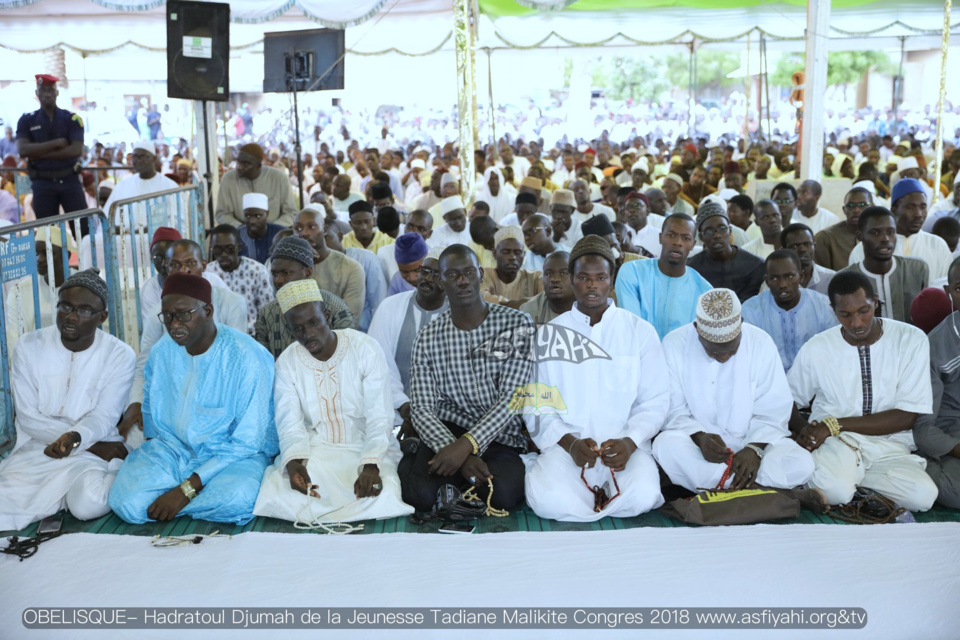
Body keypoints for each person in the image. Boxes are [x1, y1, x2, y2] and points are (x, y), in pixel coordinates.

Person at [109, 274, 278, 524]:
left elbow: (248, 440)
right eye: (167, 316)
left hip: (232, 457)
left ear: (208, 311)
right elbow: (152, 416)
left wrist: (186, 490)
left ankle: (179, 501)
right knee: (125, 502)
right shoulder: (162, 352)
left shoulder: (248, 356)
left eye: (183, 315)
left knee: (236, 498)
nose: (174, 324)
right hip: (174, 451)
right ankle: (192, 503)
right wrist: (161, 462)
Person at [524, 236, 669, 522]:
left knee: (643, 496)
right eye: (583, 278)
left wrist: (631, 441)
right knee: (549, 501)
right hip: (567, 447)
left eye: (600, 278)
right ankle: (580, 489)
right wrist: (569, 444)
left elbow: (655, 401)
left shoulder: (639, 331)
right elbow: (536, 405)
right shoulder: (549, 335)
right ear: (572, 279)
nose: (592, 286)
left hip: (625, 447)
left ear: (611, 280)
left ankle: (595, 497)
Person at [252, 280, 413, 524]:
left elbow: (379, 416)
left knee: (383, 496)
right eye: (298, 329)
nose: (308, 334)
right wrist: (294, 463)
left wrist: (371, 465)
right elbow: (289, 422)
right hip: (317, 449)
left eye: (313, 323)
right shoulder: (287, 362)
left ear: (326, 316)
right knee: (278, 494)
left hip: (365, 446)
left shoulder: (365, 348)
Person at [400, 244, 534, 513]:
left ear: (481, 274)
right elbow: (422, 409)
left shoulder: (517, 324)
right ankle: (423, 458)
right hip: (448, 431)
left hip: (500, 435)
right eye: (452, 275)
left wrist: (467, 447)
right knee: (420, 496)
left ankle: (453, 484)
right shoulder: (428, 337)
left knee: (502, 494)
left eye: (468, 272)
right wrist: (457, 454)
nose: (462, 281)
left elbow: (511, 399)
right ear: (441, 281)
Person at [788, 271, 938, 511]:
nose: (856, 323)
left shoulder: (910, 339)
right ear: (833, 310)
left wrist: (833, 425)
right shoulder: (817, 347)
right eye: (845, 315)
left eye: (863, 311)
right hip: (838, 444)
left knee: (923, 497)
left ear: (875, 302)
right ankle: (847, 484)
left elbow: (907, 416)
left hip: (890, 444)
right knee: (834, 491)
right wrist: (806, 432)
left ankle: (849, 485)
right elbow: (788, 400)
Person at [0, 270, 134, 531]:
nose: (71, 317)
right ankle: (60, 498)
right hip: (39, 447)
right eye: (65, 307)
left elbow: (105, 416)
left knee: (88, 505)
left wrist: (77, 439)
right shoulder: (28, 346)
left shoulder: (119, 355)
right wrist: (90, 446)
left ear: (102, 317)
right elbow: (28, 419)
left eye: (84, 310)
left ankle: (118, 472)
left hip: (92, 445)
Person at [654, 289, 818, 500]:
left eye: (731, 349)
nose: (724, 357)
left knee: (802, 463)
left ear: (740, 323)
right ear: (697, 329)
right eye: (714, 351)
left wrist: (754, 449)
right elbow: (672, 408)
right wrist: (699, 437)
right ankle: (772, 492)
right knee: (665, 446)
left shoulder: (761, 342)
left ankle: (722, 486)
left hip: (753, 439)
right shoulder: (674, 343)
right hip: (699, 446)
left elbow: (774, 408)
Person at [118, 240, 248, 444]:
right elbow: (145, 365)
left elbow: (236, 360)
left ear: (203, 265)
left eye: (190, 263)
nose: (183, 270)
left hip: (219, 399)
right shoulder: (158, 314)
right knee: (135, 436)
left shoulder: (230, 303)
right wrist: (136, 403)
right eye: (175, 265)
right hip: (173, 398)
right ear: (166, 268)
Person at [368, 250, 449, 434]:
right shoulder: (390, 307)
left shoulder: (458, 315)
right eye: (425, 271)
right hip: (393, 412)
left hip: (444, 418)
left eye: (436, 274)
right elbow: (378, 363)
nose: (427, 278)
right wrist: (403, 405)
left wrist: (428, 415)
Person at [255, 236, 356, 358]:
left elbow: (348, 353)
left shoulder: (336, 308)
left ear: (307, 272)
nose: (278, 280)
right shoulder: (266, 314)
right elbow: (262, 360)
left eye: (286, 273)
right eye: (275, 274)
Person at [616, 213, 712, 339]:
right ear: (660, 238)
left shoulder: (704, 291)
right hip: (636, 348)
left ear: (693, 244)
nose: (677, 242)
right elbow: (632, 328)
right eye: (671, 235)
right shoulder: (632, 272)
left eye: (686, 238)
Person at [742, 250, 838, 372]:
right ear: (767, 281)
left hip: (815, 375)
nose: (782, 284)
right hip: (768, 377)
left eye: (789, 277)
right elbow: (748, 354)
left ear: (801, 277)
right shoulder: (751, 310)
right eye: (774, 278)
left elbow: (834, 349)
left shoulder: (823, 306)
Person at [914, 259, 960, 508]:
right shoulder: (935, 347)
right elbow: (924, 429)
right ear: (948, 291)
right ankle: (923, 466)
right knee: (954, 491)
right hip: (953, 433)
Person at [847, 178, 952, 282]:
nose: (918, 214)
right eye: (910, 207)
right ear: (894, 210)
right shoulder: (863, 250)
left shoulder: (938, 246)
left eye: (923, 207)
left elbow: (946, 285)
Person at [16, 75, 86, 222]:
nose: (47, 94)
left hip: (69, 180)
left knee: (82, 227)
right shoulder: (26, 121)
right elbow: (23, 150)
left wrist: (37, 153)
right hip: (42, 183)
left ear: (57, 92)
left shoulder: (72, 119)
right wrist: (57, 143)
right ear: (37, 93)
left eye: (51, 90)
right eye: (43, 90)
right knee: (47, 231)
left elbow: (76, 150)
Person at [841, 206, 928, 323]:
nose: (885, 239)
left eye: (890, 232)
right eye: (875, 233)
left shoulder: (917, 269)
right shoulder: (845, 279)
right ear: (859, 236)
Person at [4, 226, 73, 350]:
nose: (39, 259)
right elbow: (14, 340)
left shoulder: (84, 287)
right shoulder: (20, 291)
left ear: (66, 256)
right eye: (36, 253)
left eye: (48, 252)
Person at [292, 207, 366, 320]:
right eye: (298, 228)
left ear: (325, 230)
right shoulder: (282, 266)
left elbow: (349, 321)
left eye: (311, 227)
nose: (304, 233)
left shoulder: (351, 269)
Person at [688, 200, 765, 302]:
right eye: (709, 231)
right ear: (701, 237)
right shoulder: (692, 268)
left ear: (730, 231)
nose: (717, 235)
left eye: (722, 228)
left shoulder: (755, 266)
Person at [205, 224, 274, 335]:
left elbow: (267, 312)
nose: (224, 254)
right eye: (218, 249)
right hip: (217, 336)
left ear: (239, 247)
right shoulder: (208, 274)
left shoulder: (257, 270)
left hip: (252, 336)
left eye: (229, 249)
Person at [216, 143, 297, 227]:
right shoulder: (228, 179)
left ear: (258, 165)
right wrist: (241, 229)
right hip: (238, 231)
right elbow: (222, 214)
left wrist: (272, 229)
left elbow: (290, 213)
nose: (239, 167)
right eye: (238, 162)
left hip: (274, 231)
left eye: (245, 164)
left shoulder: (279, 178)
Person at [102, 140, 177, 228]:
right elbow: (108, 216)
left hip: (157, 235)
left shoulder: (169, 185)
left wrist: (151, 229)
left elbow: (176, 219)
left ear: (154, 159)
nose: (138, 160)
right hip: (125, 235)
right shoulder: (123, 185)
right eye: (135, 156)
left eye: (142, 156)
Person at [481, 226, 543, 308]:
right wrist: (524, 304)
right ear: (494, 253)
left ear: (524, 255)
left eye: (517, 252)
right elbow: (481, 298)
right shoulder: (483, 275)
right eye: (506, 252)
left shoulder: (535, 277)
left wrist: (509, 304)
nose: (512, 257)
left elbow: (546, 299)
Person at [813, 186, 873, 271]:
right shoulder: (825, 238)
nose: (856, 210)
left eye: (862, 205)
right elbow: (822, 275)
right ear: (844, 209)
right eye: (850, 205)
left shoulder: (881, 236)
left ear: (872, 207)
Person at [518, 250, 575, 324]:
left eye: (563, 273)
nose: (555, 279)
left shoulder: (587, 307)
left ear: (575, 277)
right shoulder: (528, 311)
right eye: (549, 274)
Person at [780, 223, 835, 296]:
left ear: (814, 246)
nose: (802, 249)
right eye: (794, 246)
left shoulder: (831, 278)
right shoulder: (776, 282)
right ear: (784, 250)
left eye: (807, 244)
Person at [238, 193, 285, 264]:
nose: (252, 221)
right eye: (248, 216)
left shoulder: (280, 233)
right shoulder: (237, 236)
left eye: (258, 216)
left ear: (267, 214)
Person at [387, 232, 428, 296]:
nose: (411, 278)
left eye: (417, 270)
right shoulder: (397, 280)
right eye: (404, 272)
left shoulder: (440, 279)